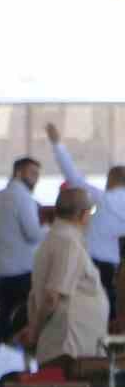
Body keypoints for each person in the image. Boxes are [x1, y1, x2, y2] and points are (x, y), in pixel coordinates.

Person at [45, 122, 125, 320]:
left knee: (87, 310)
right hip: (114, 266)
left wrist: (57, 144)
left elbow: (74, 178)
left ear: (113, 179)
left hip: (91, 260)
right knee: (110, 309)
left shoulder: (105, 199)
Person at [23, 185, 110, 366]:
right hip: (69, 348)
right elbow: (51, 296)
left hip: (71, 346)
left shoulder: (56, 238)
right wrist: (34, 332)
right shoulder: (67, 242)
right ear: (83, 215)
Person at [0, 156, 45, 343]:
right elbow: (33, 234)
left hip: (3, 270)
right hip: (26, 270)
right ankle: (21, 367)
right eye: (32, 173)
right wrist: (51, 229)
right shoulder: (24, 198)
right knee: (25, 321)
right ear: (19, 172)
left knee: (4, 318)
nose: (36, 178)